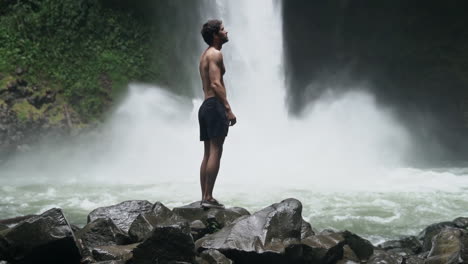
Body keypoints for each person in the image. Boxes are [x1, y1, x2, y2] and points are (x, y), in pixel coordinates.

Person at [198, 19, 237, 209]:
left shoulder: (204, 55)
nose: (226, 31)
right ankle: (209, 197)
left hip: (205, 105)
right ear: (215, 35)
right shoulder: (216, 54)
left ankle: (204, 196)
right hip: (214, 105)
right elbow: (215, 83)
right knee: (216, 150)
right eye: (222, 29)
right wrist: (228, 109)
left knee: (207, 152)